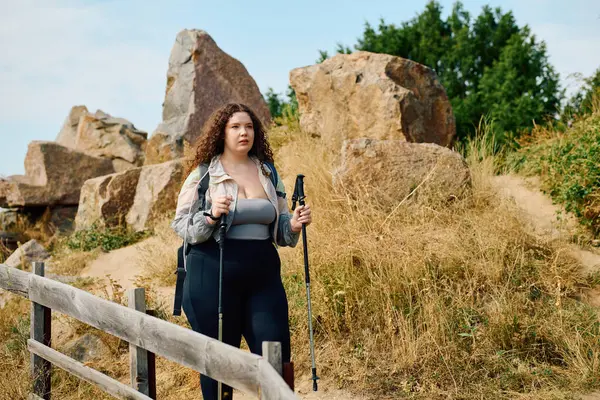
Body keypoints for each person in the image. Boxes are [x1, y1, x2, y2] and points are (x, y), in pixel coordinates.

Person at [171, 103, 312, 399]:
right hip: (212, 273)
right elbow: (182, 225)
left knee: (275, 355)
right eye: (235, 127)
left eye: (248, 126)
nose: (243, 132)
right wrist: (210, 215)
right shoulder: (202, 175)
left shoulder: (267, 173)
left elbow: (281, 230)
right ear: (221, 133)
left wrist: (295, 225)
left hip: (263, 273)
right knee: (220, 362)